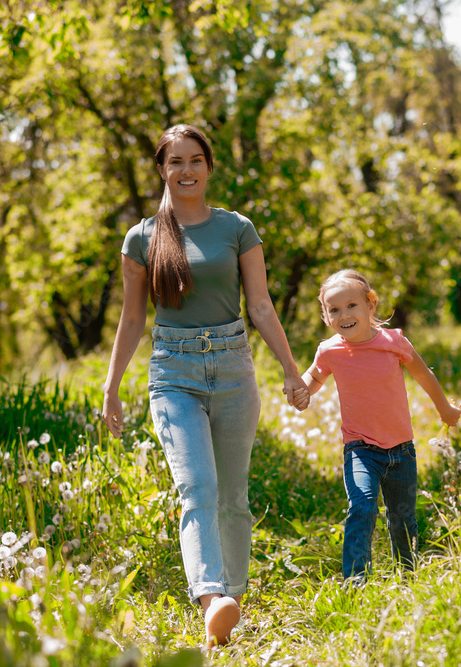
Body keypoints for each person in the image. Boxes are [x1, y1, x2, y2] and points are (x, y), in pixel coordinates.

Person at [101, 124, 308, 647]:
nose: (186, 170)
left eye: (196, 160)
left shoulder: (237, 228)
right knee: (198, 488)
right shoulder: (142, 238)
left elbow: (259, 304)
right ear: (162, 169)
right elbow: (130, 321)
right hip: (174, 372)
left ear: (209, 167)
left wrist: (289, 369)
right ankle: (211, 597)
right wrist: (110, 387)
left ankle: (231, 605)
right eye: (175, 162)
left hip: (235, 365)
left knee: (233, 496)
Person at [297, 269, 461, 579]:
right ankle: (356, 581)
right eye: (334, 309)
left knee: (403, 519)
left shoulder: (393, 341)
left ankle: (408, 577)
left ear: (371, 304)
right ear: (326, 316)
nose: (343, 314)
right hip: (360, 448)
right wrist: (301, 389)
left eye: (352, 305)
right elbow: (315, 376)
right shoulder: (330, 350)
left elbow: (424, 375)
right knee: (362, 507)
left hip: (401, 449)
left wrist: (445, 409)